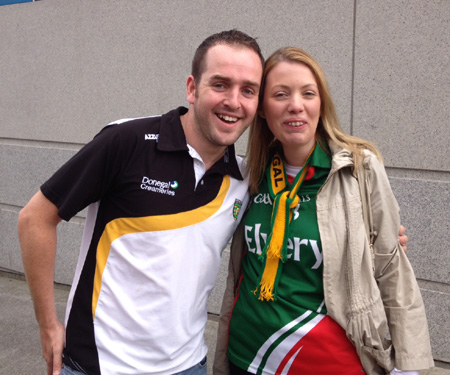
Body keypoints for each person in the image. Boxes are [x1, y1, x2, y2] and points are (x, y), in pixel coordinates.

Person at [18, 29, 264, 375]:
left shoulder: (244, 180)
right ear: (192, 88)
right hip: (98, 364)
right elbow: (34, 220)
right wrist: (48, 324)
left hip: (187, 366)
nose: (234, 101)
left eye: (248, 90)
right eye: (220, 84)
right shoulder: (127, 141)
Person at [213, 47, 433, 375]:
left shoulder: (359, 168)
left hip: (328, 361)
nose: (295, 105)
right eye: (280, 94)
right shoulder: (250, 175)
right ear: (262, 109)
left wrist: (407, 365)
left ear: (321, 103)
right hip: (248, 356)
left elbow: (391, 268)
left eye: (308, 93)